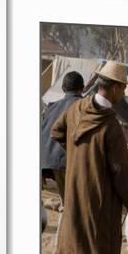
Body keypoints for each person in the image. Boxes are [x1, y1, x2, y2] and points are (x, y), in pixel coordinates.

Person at [51, 60, 128, 254]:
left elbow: (56, 133)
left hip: (74, 186)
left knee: (77, 234)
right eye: (123, 88)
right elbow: (121, 170)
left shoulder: (75, 109)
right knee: (98, 240)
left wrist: (78, 158)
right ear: (112, 88)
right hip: (100, 194)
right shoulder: (110, 125)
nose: (124, 93)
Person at [41, 71, 84, 203]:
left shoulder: (51, 107)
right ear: (82, 88)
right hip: (67, 161)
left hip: (46, 160)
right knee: (72, 205)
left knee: (67, 202)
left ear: (63, 89)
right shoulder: (85, 106)